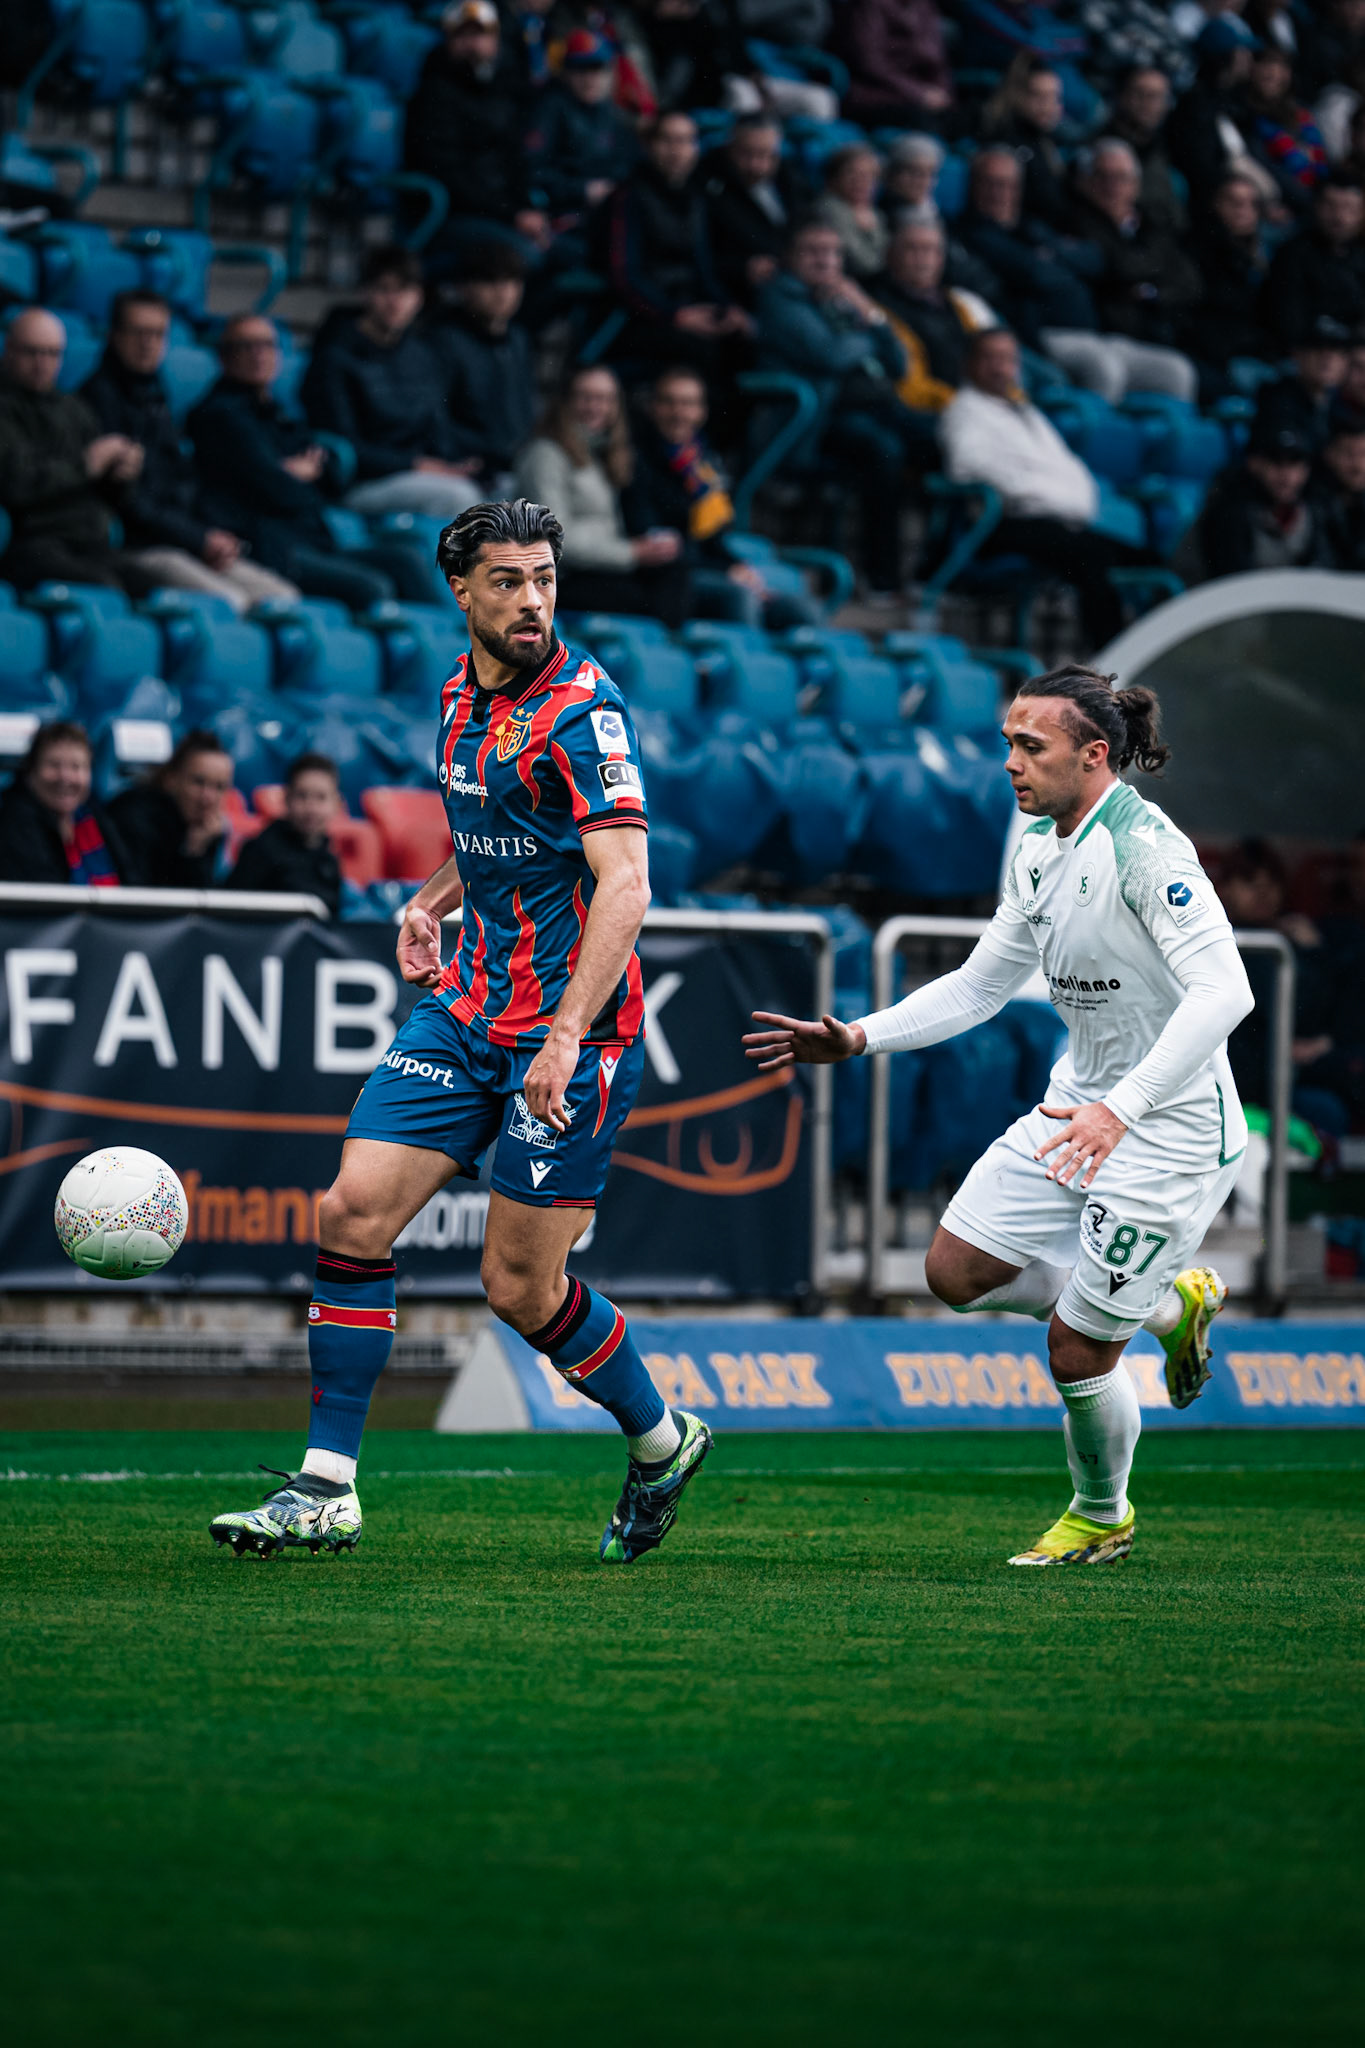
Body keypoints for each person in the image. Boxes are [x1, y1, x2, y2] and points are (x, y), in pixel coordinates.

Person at [209, 497, 713, 1564]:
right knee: (350, 1214)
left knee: (519, 1288)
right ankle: (327, 1485)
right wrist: (432, 898)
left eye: (543, 579)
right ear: (461, 591)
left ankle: (661, 1441)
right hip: (466, 1009)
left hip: (569, 1035)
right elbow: (502, 831)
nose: (532, 601)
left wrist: (568, 1032)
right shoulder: (454, 692)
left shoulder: (586, 710)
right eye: (507, 581)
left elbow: (626, 883)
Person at [745, 666, 1253, 1568]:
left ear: (1094, 755)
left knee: (1075, 1348)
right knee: (953, 1270)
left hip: (1167, 1129)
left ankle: (1102, 1516)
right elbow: (982, 986)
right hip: (1076, 1104)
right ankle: (1166, 1308)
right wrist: (858, 1037)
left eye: (1032, 746)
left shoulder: (1148, 852)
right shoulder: (1035, 847)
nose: (1010, 763)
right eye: (1008, 743)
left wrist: (1122, 1111)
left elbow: (1226, 992)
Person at [190, 316, 433, 609]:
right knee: (372, 587)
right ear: (224, 357)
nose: (259, 354)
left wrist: (296, 473)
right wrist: (293, 476)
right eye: (246, 346)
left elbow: (330, 469)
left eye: (267, 345)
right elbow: (278, 487)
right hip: (270, 548)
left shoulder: (274, 411)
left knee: (406, 560)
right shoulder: (220, 415)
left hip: (313, 540)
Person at [80, 290, 297, 612]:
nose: (148, 343)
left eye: (157, 334)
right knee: (230, 605)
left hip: (185, 540)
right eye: (139, 332)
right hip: (139, 546)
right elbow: (129, 502)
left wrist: (208, 535)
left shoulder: (154, 394)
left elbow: (181, 481)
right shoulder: (99, 400)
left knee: (283, 600)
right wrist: (198, 538)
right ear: (115, 335)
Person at [940, 327, 1156, 645]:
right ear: (969, 363)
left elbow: (1068, 467)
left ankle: (1161, 652)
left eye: (1007, 359)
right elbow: (967, 466)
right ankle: (1115, 664)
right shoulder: (965, 410)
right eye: (990, 358)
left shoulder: (1026, 412)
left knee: (1147, 560)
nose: (1000, 368)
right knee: (1091, 557)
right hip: (1004, 524)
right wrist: (1041, 491)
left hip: (1056, 522)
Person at [755, 219, 923, 598]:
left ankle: (935, 569)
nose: (824, 260)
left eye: (832, 252)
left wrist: (870, 314)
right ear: (790, 257)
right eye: (812, 251)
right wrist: (864, 336)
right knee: (884, 450)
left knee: (942, 438)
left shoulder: (845, 300)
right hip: (820, 419)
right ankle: (882, 579)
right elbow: (828, 354)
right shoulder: (780, 296)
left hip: (879, 404)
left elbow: (899, 363)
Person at [627, 364, 816, 627]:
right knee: (740, 597)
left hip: (704, 567)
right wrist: (728, 572)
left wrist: (739, 568)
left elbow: (712, 540)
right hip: (668, 577)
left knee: (800, 607)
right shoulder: (636, 461)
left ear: (701, 412)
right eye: (669, 402)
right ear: (653, 407)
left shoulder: (700, 464)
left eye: (688, 403)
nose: (678, 413)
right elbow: (657, 540)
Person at [301, 247, 480, 523]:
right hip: (362, 483)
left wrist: (456, 464)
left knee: (506, 496)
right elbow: (344, 445)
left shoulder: (420, 354)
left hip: (417, 474)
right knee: (462, 499)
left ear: (419, 297)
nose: (395, 302)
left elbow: (435, 424)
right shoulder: (335, 357)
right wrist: (420, 466)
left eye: (405, 291)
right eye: (384, 289)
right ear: (365, 293)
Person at [514, 364, 689, 625]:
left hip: (602, 569)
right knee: (656, 594)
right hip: (560, 579)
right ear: (566, 401)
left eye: (605, 399)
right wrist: (633, 553)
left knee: (675, 571)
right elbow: (553, 543)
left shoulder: (603, 456)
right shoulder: (546, 455)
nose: (595, 407)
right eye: (586, 397)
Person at [0, 306, 145, 592]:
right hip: (32, 543)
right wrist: (87, 464)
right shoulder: (4, 410)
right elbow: (15, 484)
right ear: (9, 350)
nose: (42, 363)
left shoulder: (75, 409)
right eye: (32, 352)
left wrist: (121, 475)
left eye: (52, 353)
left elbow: (111, 497)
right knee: (107, 587)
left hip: (89, 542)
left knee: (155, 588)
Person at [603, 109, 749, 374]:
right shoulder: (628, 196)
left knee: (743, 339)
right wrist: (674, 315)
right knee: (703, 351)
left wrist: (726, 308)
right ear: (649, 145)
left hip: (687, 305)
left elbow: (703, 267)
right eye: (668, 140)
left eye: (685, 141)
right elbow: (625, 276)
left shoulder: (696, 196)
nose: (677, 150)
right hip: (642, 315)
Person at [1058, 138, 1200, 403]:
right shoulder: (1076, 220)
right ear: (1086, 182)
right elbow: (1119, 267)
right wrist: (1152, 267)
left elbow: (1188, 281)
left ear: (1135, 185)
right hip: (1106, 335)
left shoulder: (1152, 223)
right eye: (1103, 176)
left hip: (1151, 333)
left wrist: (1151, 292)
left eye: (1121, 178)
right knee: (1106, 369)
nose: (1113, 187)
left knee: (1180, 372)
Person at [403, 0, 548, 255]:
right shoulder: (432, 96)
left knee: (566, 252)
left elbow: (516, 160)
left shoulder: (505, 92)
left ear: (495, 39)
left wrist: (525, 209)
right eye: (463, 34)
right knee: (528, 256)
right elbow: (447, 174)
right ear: (448, 39)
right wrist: (512, 214)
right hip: (454, 215)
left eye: (480, 34)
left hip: (501, 214)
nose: (473, 43)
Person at [956, 146, 1098, 348]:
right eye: (991, 184)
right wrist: (1057, 255)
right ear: (973, 185)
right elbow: (1036, 272)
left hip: (1086, 334)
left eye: (1009, 185)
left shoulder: (1030, 226)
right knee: (1104, 368)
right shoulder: (972, 233)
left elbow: (1095, 259)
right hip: (1038, 339)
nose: (1000, 193)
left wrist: (1050, 254)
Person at [432, 246, 538, 493]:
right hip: (472, 471)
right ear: (463, 287)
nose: (503, 292)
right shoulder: (442, 341)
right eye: (490, 281)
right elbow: (437, 421)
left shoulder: (519, 340)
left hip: (516, 465)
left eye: (512, 281)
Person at [873, 218, 998, 417]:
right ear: (891, 255)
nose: (922, 258)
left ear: (941, 258)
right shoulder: (878, 306)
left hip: (977, 405)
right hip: (934, 411)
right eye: (912, 249)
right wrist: (964, 405)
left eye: (930, 250)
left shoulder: (958, 301)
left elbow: (992, 360)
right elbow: (911, 385)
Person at [523, 28, 637, 223]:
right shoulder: (550, 110)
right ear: (567, 73)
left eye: (597, 68)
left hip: (609, 213)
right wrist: (582, 189)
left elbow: (630, 164)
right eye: (581, 69)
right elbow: (532, 169)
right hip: (563, 214)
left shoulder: (613, 114)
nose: (589, 79)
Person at [106, 727, 235, 890]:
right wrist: (191, 854)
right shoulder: (134, 819)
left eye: (219, 787)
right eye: (198, 782)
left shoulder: (205, 830)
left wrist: (195, 850)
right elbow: (143, 901)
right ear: (171, 779)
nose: (208, 797)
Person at [1192, 422, 1324, 578]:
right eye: (1276, 462)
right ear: (1254, 464)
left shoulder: (1315, 510)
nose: (1286, 475)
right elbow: (1231, 583)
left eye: (1294, 463)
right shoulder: (1229, 511)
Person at [0, 720, 124, 885]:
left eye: (76, 767)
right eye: (53, 765)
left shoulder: (95, 820)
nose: (65, 777)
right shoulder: (13, 824)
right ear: (31, 771)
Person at [701, 115, 801, 305]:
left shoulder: (788, 178)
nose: (756, 165)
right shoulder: (708, 186)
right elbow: (702, 255)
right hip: (741, 293)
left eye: (765, 155)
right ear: (729, 147)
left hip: (794, 278)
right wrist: (743, 267)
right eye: (746, 154)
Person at [228, 752, 342, 915]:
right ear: (286, 798)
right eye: (302, 796)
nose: (311, 808)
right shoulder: (260, 850)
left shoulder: (329, 858)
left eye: (321, 797)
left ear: (336, 804)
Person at [1183, 172, 1273, 379]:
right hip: (1216, 353)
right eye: (1234, 202)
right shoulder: (1197, 248)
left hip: (1253, 350)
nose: (1243, 211)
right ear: (1215, 204)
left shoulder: (1262, 253)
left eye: (1251, 204)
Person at [1258, 175, 1365, 348]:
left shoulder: (1359, 256)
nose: (1340, 217)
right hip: (1308, 355)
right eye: (1331, 206)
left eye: (1349, 208)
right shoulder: (1293, 255)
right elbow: (1289, 325)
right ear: (1316, 206)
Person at [1234, 42, 1329, 219]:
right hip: (1278, 206)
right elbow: (1264, 164)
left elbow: (1320, 159)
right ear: (1251, 69)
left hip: (1314, 201)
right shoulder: (1243, 116)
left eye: (1281, 67)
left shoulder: (1300, 113)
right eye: (1266, 67)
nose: (1273, 73)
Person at [981, 57, 1073, 231]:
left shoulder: (1048, 140)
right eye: (1038, 96)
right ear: (1016, 95)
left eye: (1054, 97)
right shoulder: (1005, 141)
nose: (1047, 106)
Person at [832, 0, 954, 129]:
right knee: (923, 125)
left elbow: (937, 63)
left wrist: (943, 95)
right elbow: (870, 63)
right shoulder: (869, 5)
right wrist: (920, 94)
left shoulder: (924, 6)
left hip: (924, 101)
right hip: (881, 97)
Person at [1253, 311, 1352, 453]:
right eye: (1317, 347)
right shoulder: (1278, 402)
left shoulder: (1339, 405)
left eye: (1336, 349)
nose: (1327, 357)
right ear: (1297, 354)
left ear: (1345, 361)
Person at [1105, 64, 1185, 232]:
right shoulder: (1102, 150)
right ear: (1122, 96)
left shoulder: (1162, 148)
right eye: (1139, 94)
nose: (1147, 103)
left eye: (1156, 96)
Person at [813, 144, 889, 283]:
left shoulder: (873, 212)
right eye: (851, 173)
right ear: (833, 178)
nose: (861, 181)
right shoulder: (829, 208)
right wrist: (871, 231)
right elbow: (865, 264)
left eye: (869, 175)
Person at [1311, 421, 1365, 568]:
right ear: (1329, 455)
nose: (1357, 465)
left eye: (1363, 454)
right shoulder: (1310, 505)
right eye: (1348, 454)